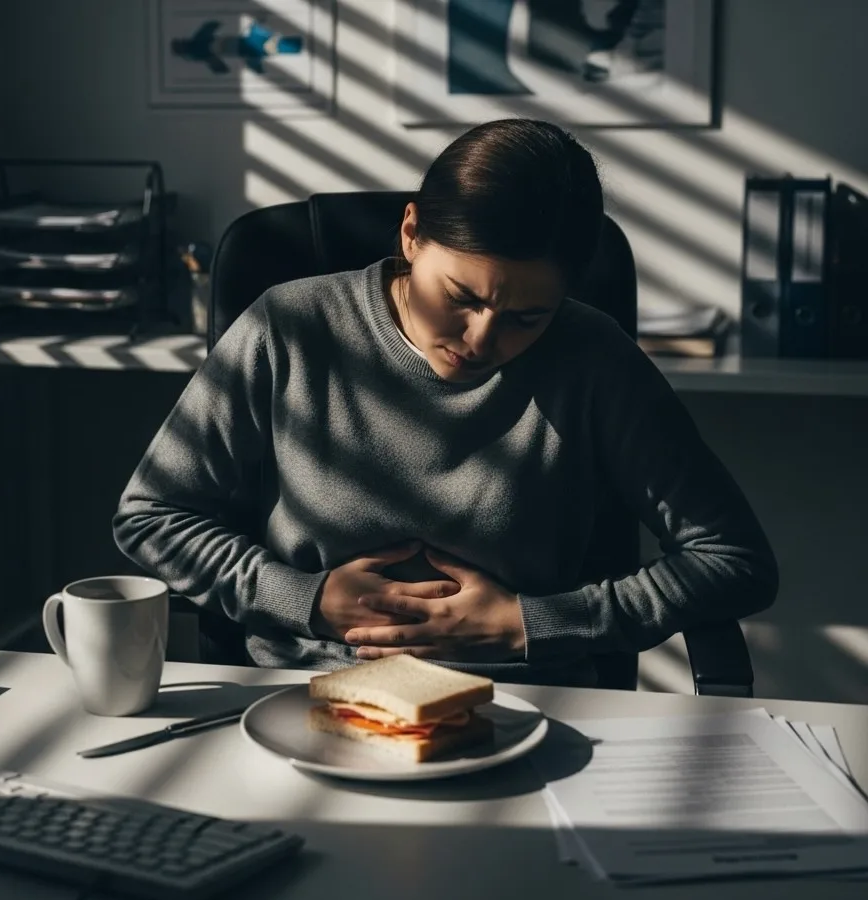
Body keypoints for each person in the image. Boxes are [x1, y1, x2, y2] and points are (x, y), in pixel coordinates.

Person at [113, 118, 778, 686]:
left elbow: (735, 561)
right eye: (462, 296)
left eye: (528, 317)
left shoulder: (592, 357)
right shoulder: (289, 327)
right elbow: (151, 517)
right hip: (308, 694)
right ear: (410, 234)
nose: (483, 339)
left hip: (536, 707)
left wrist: (531, 623)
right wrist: (308, 600)